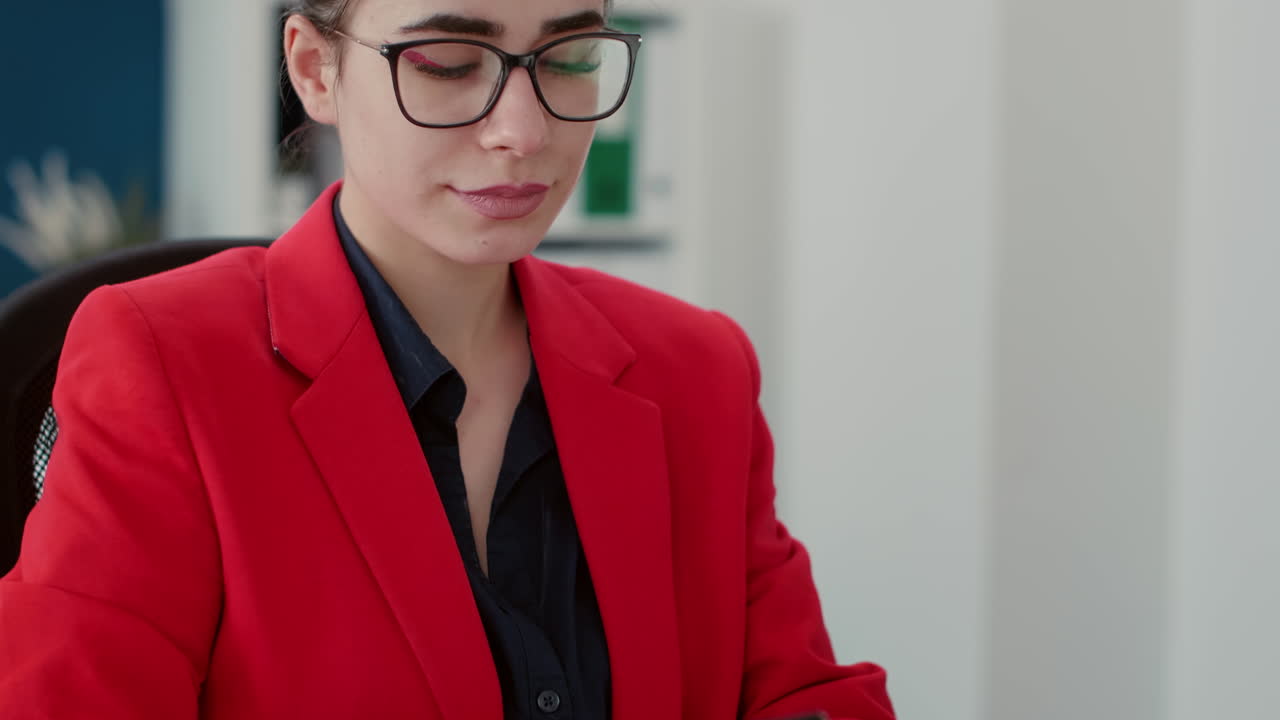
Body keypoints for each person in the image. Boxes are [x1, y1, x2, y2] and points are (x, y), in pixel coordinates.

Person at [0, 1, 894, 718]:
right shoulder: (162, 359)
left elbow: (800, 692)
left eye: (569, 56)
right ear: (315, 69)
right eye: (447, 63)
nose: (523, 130)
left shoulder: (695, 368)